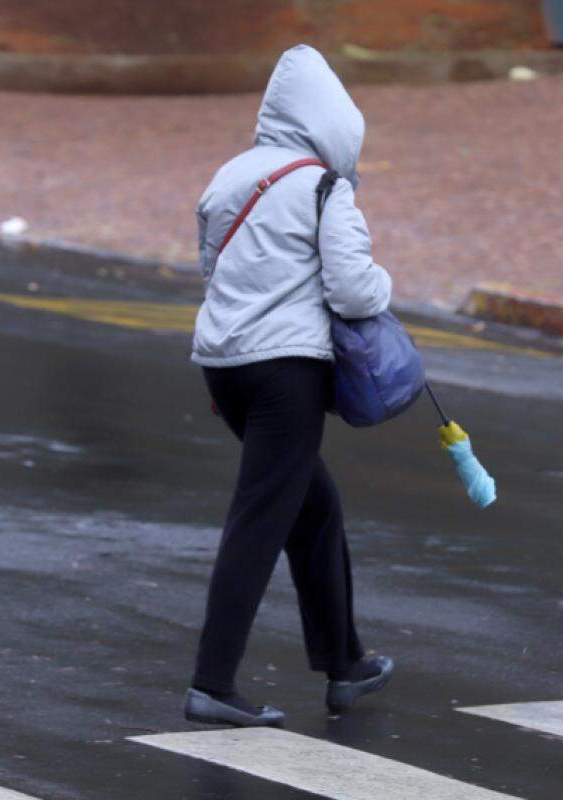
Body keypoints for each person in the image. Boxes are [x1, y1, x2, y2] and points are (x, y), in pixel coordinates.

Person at [185, 44, 394, 728]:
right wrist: (388, 286)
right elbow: (355, 290)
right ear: (335, 122)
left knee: (314, 508)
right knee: (261, 518)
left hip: (226, 367)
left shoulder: (229, 176)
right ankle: (212, 685)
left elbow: (212, 269)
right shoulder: (324, 186)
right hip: (287, 373)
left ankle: (345, 663)